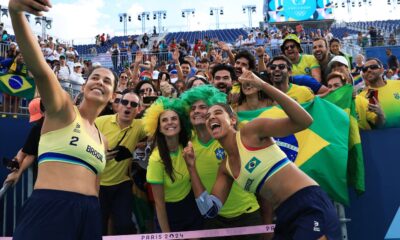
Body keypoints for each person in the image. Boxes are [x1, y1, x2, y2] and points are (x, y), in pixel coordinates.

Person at [183, 69, 340, 239]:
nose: (211, 118)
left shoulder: (251, 131)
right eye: (207, 117)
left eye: (217, 113)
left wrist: (263, 85)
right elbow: (209, 210)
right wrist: (191, 167)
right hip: (283, 214)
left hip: (308, 203)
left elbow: (305, 121)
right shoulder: (225, 168)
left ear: (233, 119)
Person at [9, 1, 117, 239]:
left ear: (113, 95)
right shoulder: (64, 109)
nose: (100, 82)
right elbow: (40, 70)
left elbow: (96, 185)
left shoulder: (103, 140)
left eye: (107, 81)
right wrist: (15, 13)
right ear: (85, 85)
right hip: (52, 208)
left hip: (90, 214)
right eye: (95, 78)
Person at [181, 85, 265, 240]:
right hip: (215, 219)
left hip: (247, 215)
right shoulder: (187, 146)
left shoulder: (229, 138)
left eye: (202, 107)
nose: (197, 111)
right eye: (192, 108)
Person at [144, 97, 204, 233]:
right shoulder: (156, 159)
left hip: (191, 208)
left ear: (181, 123)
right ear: (158, 128)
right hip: (169, 212)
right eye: (164, 120)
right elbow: (159, 204)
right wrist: (166, 234)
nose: (170, 122)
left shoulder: (189, 146)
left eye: (174, 118)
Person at [95, 90, 146, 235]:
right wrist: (99, 154)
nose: (128, 106)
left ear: (138, 109)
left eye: (133, 104)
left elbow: (160, 127)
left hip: (121, 185)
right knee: (98, 227)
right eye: (124, 102)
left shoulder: (139, 126)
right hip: (97, 185)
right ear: (118, 105)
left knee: (124, 225)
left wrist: (145, 143)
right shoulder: (100, 122)